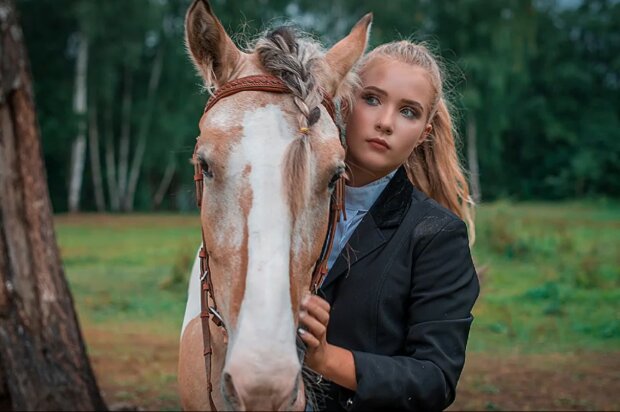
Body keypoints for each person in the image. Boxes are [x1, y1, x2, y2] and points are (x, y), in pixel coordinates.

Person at [297, 40, 480, 411]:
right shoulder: (287, 207)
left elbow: (434, 380)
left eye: (408, 112)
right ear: (345, 103)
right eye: (373, 99)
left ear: (423, 134)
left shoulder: (436, 234)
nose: (385, 122)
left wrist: (326, 359)